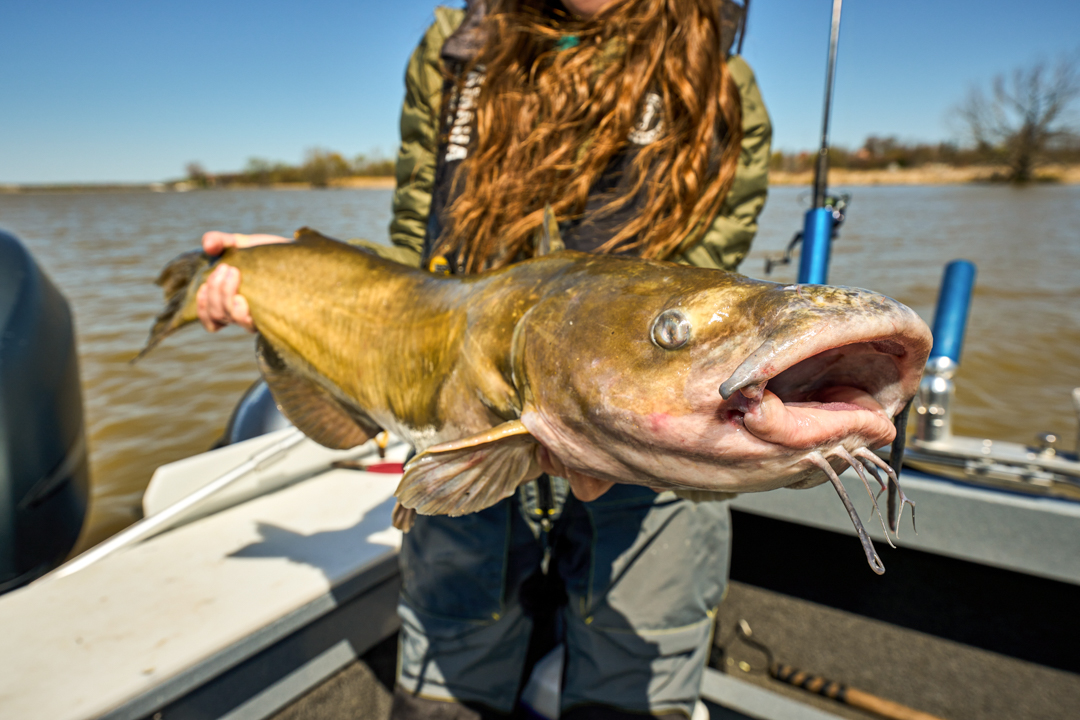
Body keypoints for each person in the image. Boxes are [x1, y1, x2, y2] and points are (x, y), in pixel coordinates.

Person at [198, 1, 771, 718]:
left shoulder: (722, 85)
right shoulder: (456, 46)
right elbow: (414, 267)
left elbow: (696, 307)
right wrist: (291, 270)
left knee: (633, 686)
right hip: (466, 436)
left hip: (648, 465)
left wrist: (604, 433)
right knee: (447, 684)